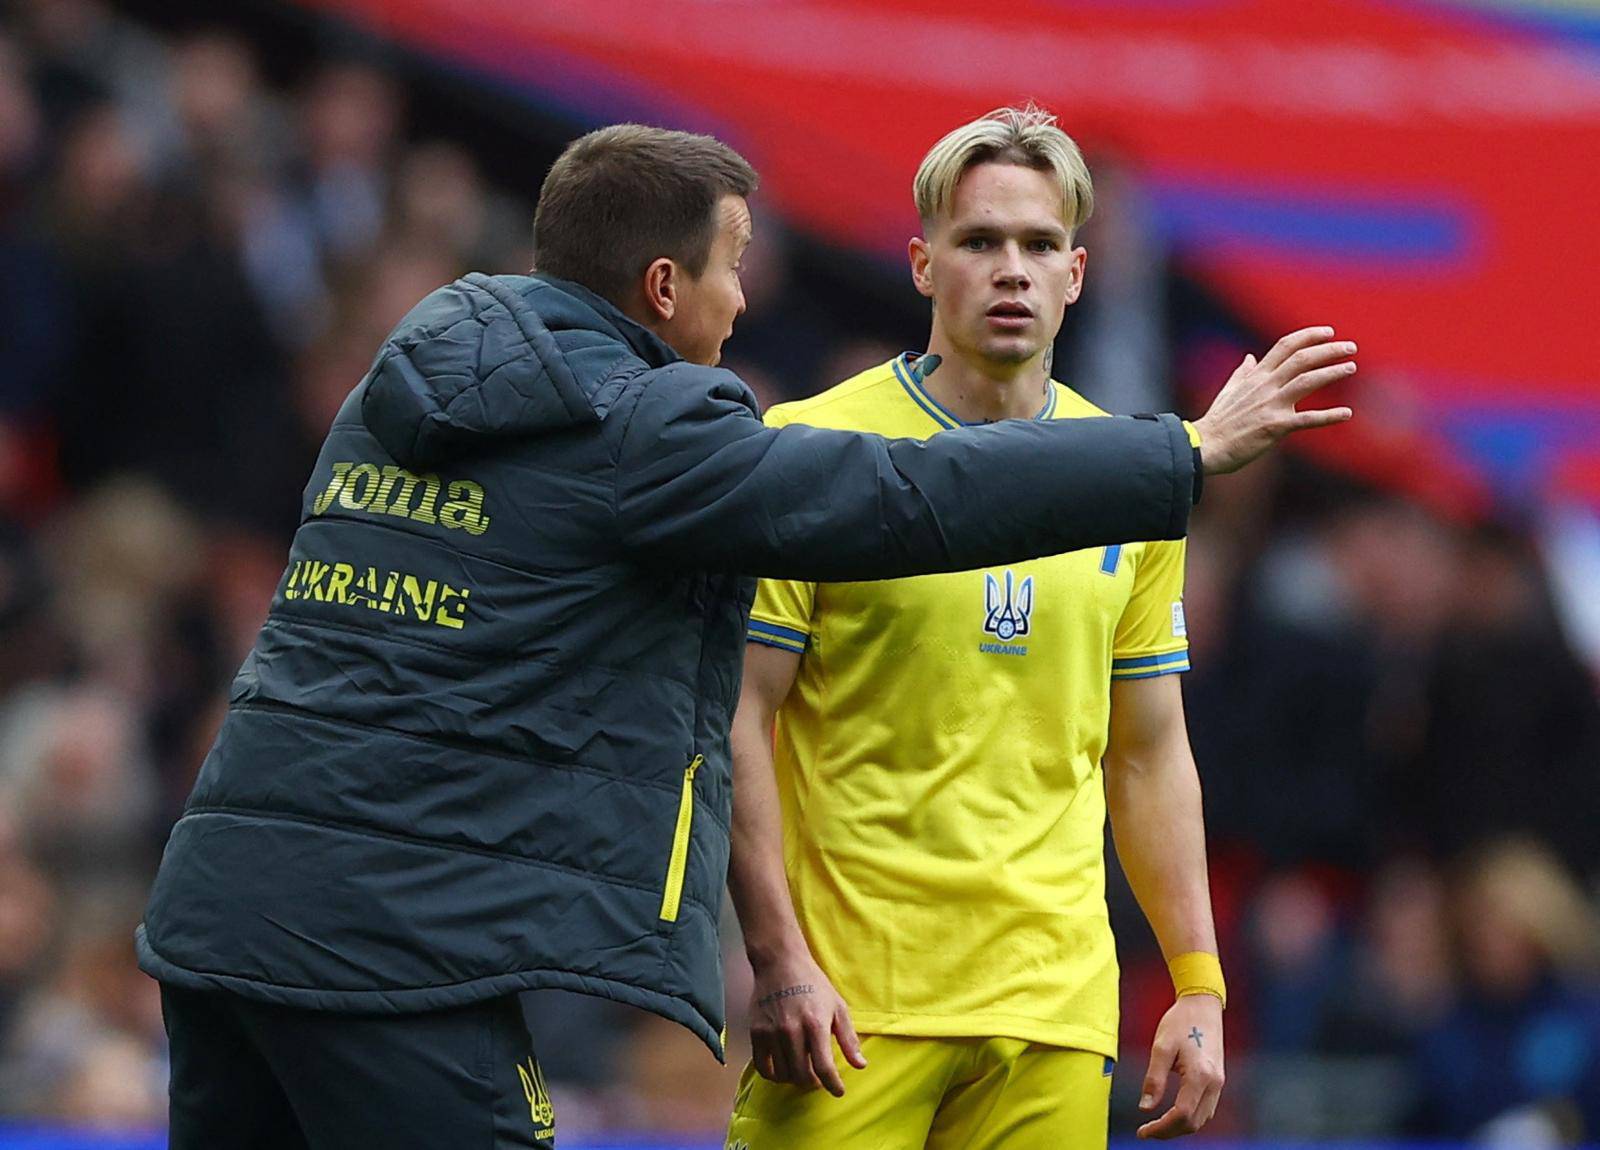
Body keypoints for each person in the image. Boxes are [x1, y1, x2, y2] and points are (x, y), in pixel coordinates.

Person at [136, 121, 1352, 1149]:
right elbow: (905, 498)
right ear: (663, 288)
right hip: (393, 948)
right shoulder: (640, 429)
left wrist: (1194, 977)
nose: (745, 297)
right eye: (732, 267)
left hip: (220, 914)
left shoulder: (396, 394)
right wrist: (1180, 451)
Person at [722, 106, 1345, 1148]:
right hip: (849, 1010)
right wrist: (777, 956)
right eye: (978, 242)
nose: (1010, 269)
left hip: (1050, 1015)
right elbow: (738, 715)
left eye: (1037, 244)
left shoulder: (1131, 478)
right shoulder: (808, 449)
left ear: (1076, 274)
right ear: (922, 265)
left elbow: (1147, 752)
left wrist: (1198, 980)